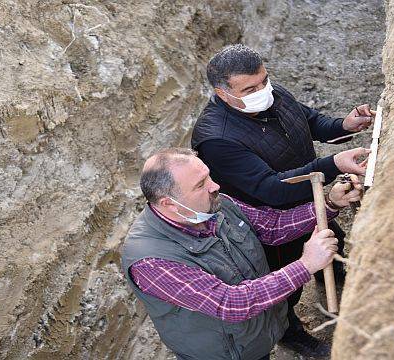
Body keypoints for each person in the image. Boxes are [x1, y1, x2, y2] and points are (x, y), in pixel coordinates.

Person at [191, 44, 374, 356]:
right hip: (269, 225)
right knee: (285, 285)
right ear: (222, 93)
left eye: (264, 80)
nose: (262, 90)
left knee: (331, 237)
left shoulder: (273, 94)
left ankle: (333, 272)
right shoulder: (216, 139)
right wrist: (332, 165)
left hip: (308, 198)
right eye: (249, 88)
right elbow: (271, 189)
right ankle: (291, 333)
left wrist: (344, 125)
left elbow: (309, 121)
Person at [121, 148, 363, 360]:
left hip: (257, 333)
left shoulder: (215, 204)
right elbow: (230, 303)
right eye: (200, 185)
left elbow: (272, 226)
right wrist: (306, 265)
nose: (214, 186)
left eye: (207, 176)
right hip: (225, 353)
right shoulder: (151, 260)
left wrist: (330, 204)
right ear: (169, 204)